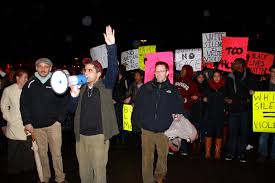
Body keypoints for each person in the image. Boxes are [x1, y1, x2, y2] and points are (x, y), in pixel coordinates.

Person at [68, 25, 119, 183]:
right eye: (85, 70)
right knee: (84, 173)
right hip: (81, 137)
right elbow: (71, 110)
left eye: (90, 70)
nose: (85, 72)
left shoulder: (105, 86)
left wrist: (111, 46)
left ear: (98, 74)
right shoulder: (81, 88)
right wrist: (74, 95)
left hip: (98, 136)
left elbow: (113, 69)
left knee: (99, 173)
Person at [132, 61, 183, 183]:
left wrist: (178, 126)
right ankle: (148, 180)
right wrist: (137, 124)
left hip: (164, 130)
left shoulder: (173, 90)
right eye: (157, 71)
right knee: (146, 158)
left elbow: (179, 110)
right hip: (147, 129)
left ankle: (159, 176)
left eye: (162, 71)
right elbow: (137, 107)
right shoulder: (146, 88)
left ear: (167, 72)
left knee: (162, 157)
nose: (159, 73)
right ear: (154, 72)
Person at [20, 58, 68, 183]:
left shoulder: (57, 81)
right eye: (40, 66)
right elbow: (24, 104)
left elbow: (64, 101)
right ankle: (44, 178)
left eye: (46, 66)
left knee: (56, 154)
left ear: (50, 68)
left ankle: (60, 178)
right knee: (42, 154)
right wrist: (27, 122)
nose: (43, 69)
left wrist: (60, 119)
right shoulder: (29, 84)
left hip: (54, 125)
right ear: (36, 68)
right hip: (37, 127)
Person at [0, 69, 35, 176]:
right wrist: (9, 118)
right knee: (13, 149)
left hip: (27, 123)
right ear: (17, 78)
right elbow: (3, 106)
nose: (27, 79)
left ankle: (27, 168)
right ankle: (13, 170)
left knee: (27, 148)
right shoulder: (8, 90)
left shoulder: (29, 89)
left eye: (27, 77)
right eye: (25, 77)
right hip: (14, 124)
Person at [224, 58, 258, 163]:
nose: (232, 64)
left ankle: (242, 154)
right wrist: (226, 99)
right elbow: (225, 92)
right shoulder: (230, 77)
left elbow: (255, 91)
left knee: (243, 133)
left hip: (244, 110)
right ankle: (230, 153)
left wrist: (253, 93)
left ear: (241, 65)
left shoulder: (250, 77)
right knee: (233, 133)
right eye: (233, 62)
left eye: (235, 63)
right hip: (233, 110)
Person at [203, 70, 226, 160]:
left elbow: (227, 98)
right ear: (212, 77)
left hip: (220, 113)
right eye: (214, 76)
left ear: (221, 77)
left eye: (218, 76)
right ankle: (207, 152)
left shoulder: (225, 87)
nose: (216, 77)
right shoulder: (208, 86)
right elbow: (203, 96)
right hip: (210, 113)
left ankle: (217, 152)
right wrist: (204, 98)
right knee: (209, 132)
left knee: (219, 133)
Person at [256, 65, 275, 164]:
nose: (274, 74)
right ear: (270, 72)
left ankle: (273, 155)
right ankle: (263, 154)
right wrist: (253, 93)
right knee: (264, 135)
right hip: (265, 115)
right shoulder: (263, 83)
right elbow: (257, 94)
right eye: (272, 71)